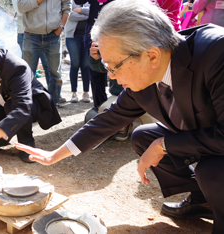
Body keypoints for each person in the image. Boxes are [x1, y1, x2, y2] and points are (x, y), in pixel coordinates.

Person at [15, 0, 224, 232]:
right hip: (205, 137)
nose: (112, 77)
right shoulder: (146, 70)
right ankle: (202, 198)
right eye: (107, 66)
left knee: (212, 171)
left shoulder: (217, 54)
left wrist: (165, 144)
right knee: (144, 137)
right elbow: (109, 119)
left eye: (114, 66)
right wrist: (54, 155)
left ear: (152, 56)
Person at [0, 25, 61, 163]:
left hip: (30, 104)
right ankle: (3, 138)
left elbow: (22, 108)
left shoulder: (16, 67)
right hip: (0, 105)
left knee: (12, 106)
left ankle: (26, 144)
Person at [17, 0, 71, 105]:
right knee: (27, 75)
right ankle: (29, 109)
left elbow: (67, 6)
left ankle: (52, 108)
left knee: (55, 74)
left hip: (54, 35)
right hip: (31, 35)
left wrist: (61, 27)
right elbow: (20, 7)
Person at [65, 1, 91, 103]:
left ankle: (86, 93)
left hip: (88, 36)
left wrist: (80, 11)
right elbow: (69, 15)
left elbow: (94, 11)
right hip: (72, 37)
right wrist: (87, 16)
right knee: (75, 64)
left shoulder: (90, 1)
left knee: (85, 65)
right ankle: (74, 93)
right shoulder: (70, 1)